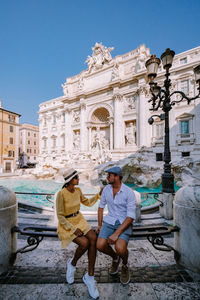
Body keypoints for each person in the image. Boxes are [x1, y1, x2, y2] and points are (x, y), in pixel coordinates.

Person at [56, 168, 101, 299]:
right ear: (70, 180)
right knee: (84, 243)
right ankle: (72, 263)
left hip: (79, 219)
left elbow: (86, 202)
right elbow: (60, 216)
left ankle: (90, 276)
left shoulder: (78, 190)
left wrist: (98, 195)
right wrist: (73, 229)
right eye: (76, 177)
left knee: (93, 238)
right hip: (67, 224)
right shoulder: (61, 194)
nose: (78, 179)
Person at [96, 166, 136, 285]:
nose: (107, 177)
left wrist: (116, 234)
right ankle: (115, 258)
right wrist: (99, 225)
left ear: (117, 177)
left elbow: (130, 217)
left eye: (109, 175)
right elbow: (100, 207)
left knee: (120, 248)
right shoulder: (106, 190)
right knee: (100, 245)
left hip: (124, 223)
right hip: (109, 221)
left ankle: (124, 264)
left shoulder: (129, 192)